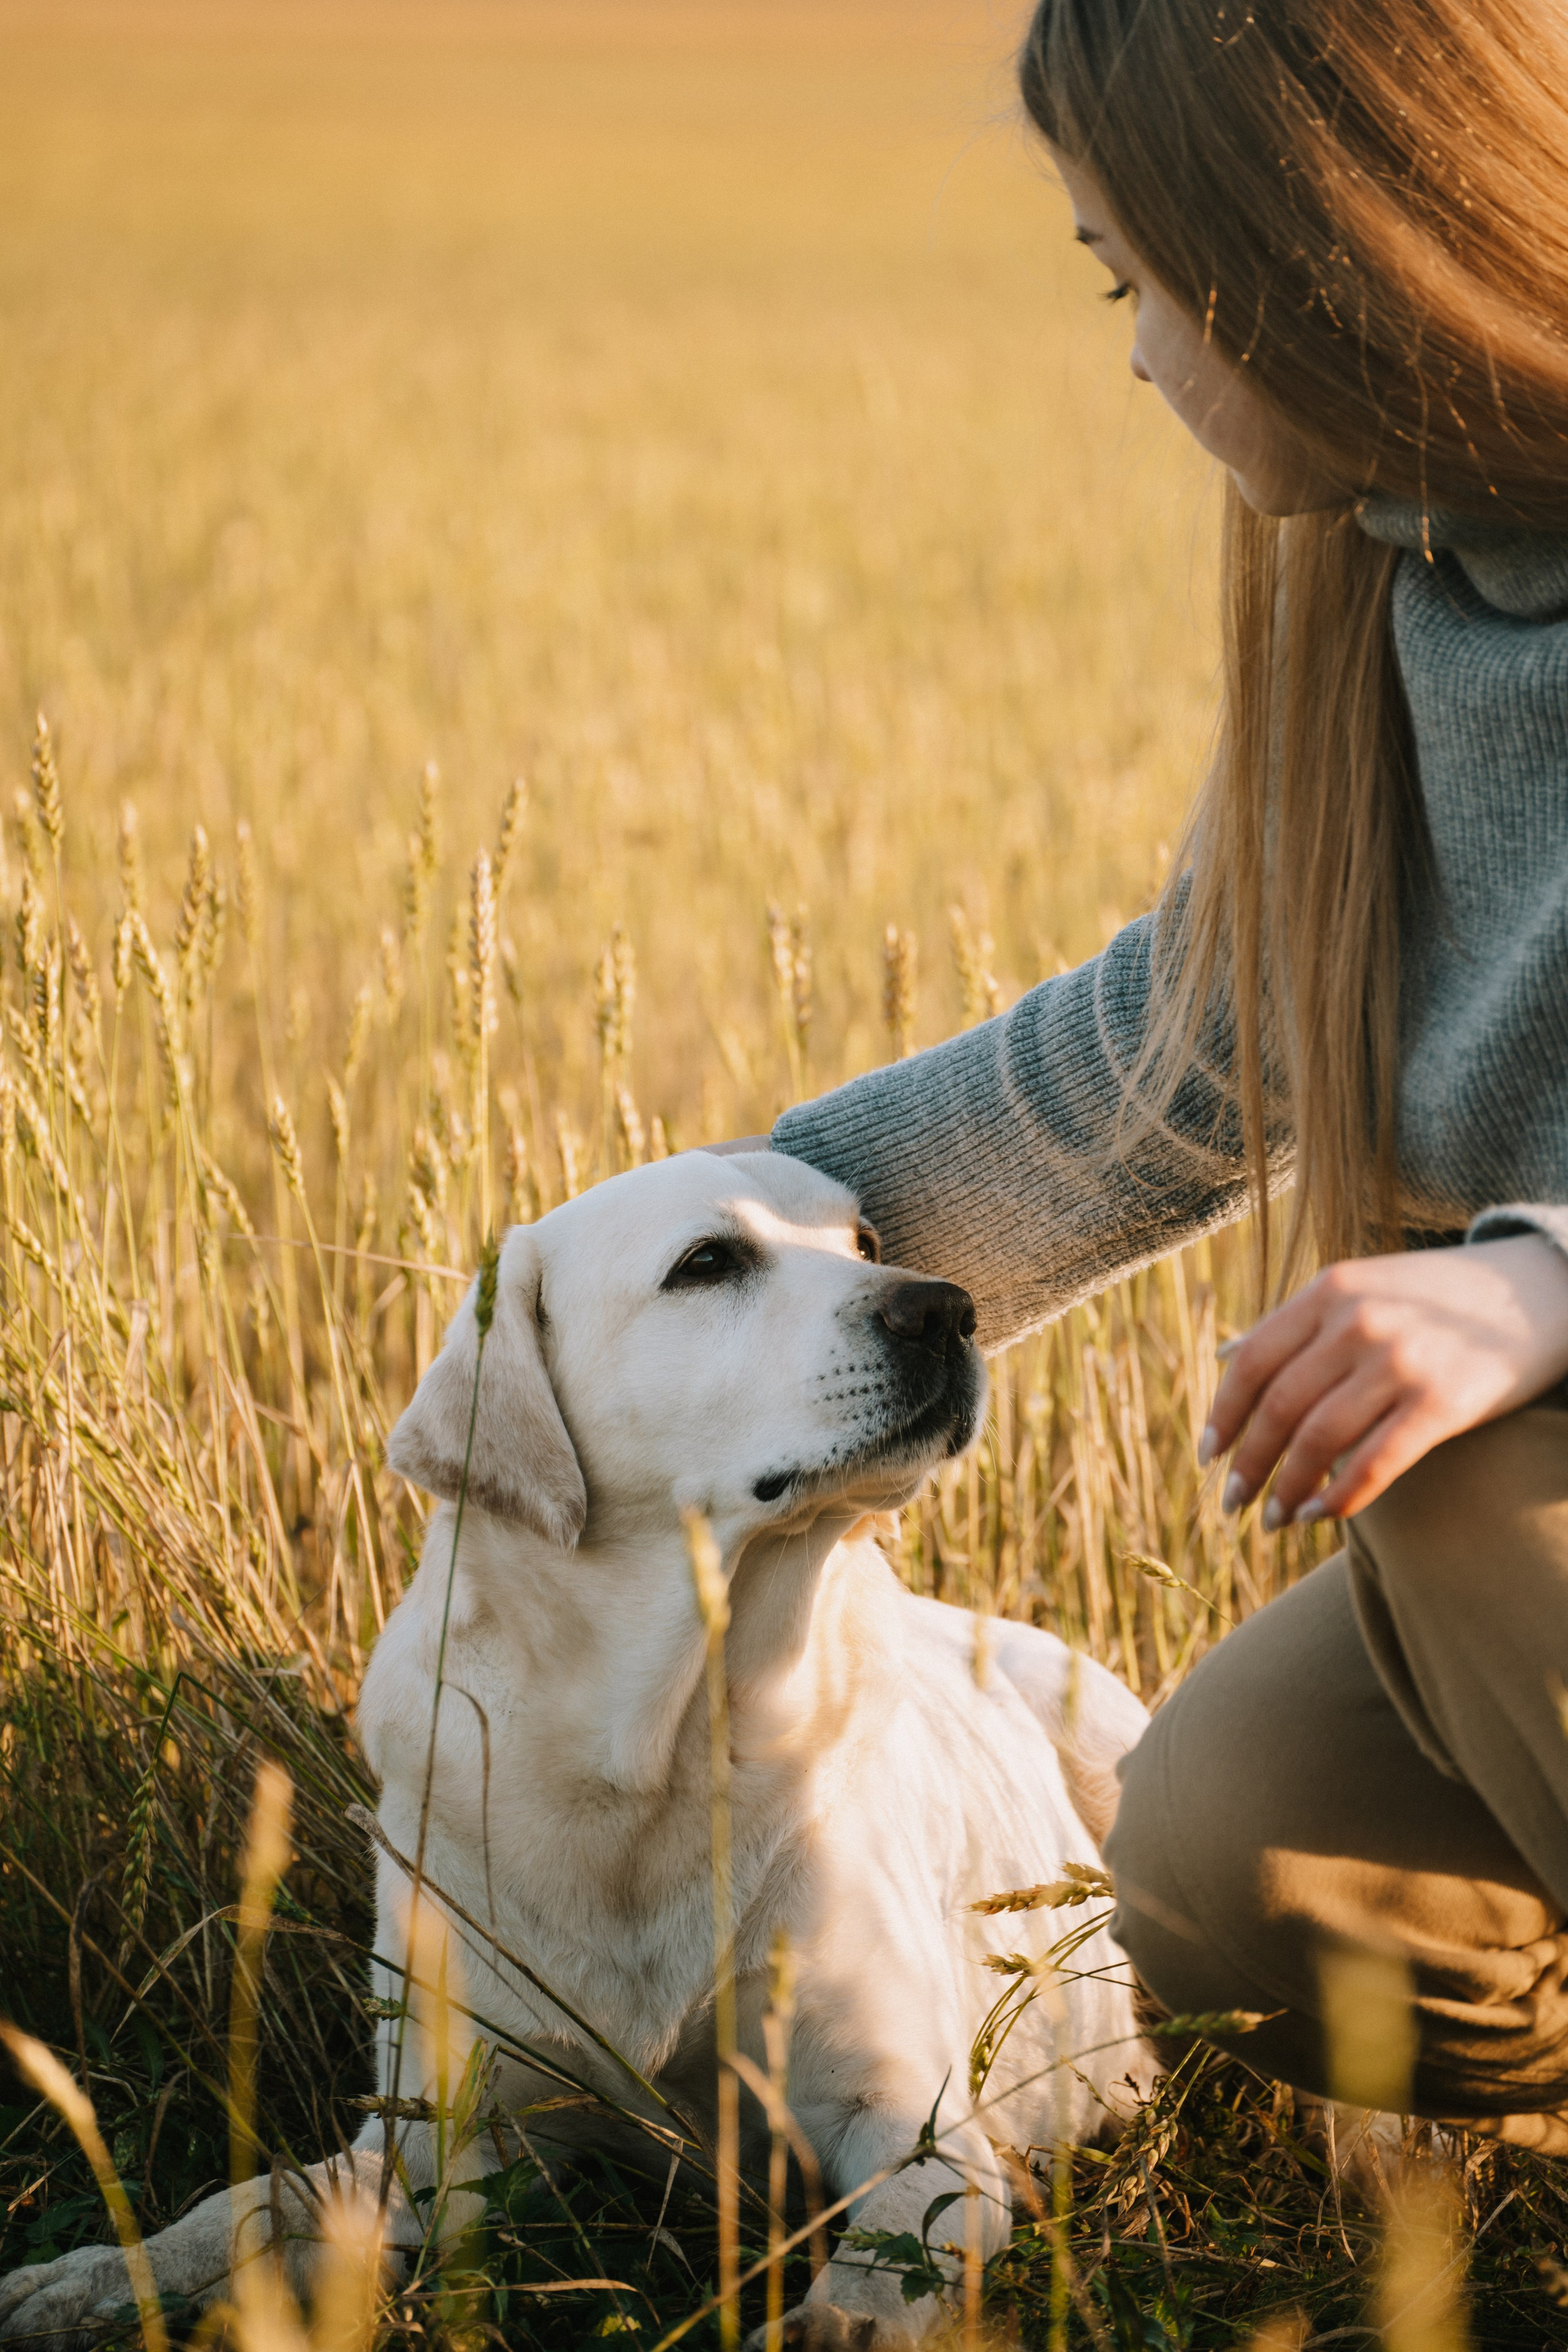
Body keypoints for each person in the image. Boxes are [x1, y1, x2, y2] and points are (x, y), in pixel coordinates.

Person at [718, 0, 1568, 2146]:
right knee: (1241, 1850)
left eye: (1137, 279)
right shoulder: (1390, 587)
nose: (1131, 359)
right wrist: (693, 1270)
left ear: (1324, 255)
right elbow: (1170, 1066)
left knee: (1469, 1473)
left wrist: (1537, 1289)